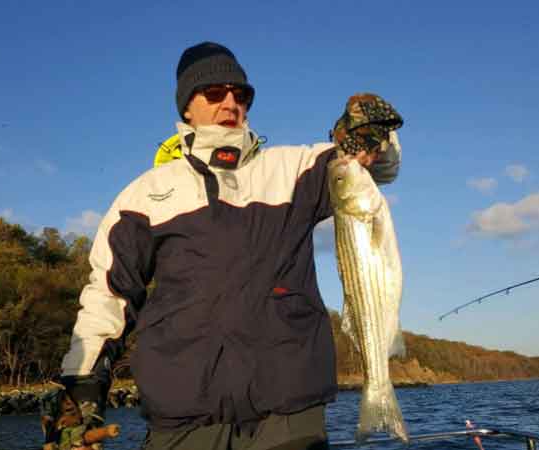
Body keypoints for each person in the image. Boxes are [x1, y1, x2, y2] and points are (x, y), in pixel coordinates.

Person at [43, 41, 403, 450]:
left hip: (288, 413)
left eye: (240, 94)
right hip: (183, 415)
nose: (229, 103)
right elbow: (107, 296)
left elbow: (377, 167)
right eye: (214, 93)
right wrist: (82, 390)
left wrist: (373, 134)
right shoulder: (144, 195)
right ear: (186, 108)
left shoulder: (295, 168)